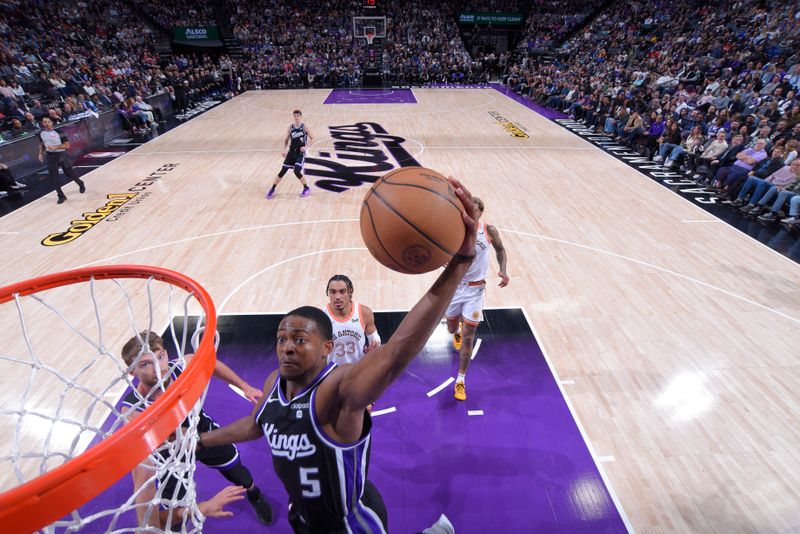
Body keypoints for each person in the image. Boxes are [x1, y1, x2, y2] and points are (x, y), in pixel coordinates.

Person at [198, 177, 479, 533]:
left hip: (351, 525)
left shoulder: (339, 391)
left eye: (300, 339)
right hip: (302, 517)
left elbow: (396, 353)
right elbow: (257, 424)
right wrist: (201, 442)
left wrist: (460, 263)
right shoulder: (274, 383)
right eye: (282, 338)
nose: (286, 345)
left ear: (326, 348)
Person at [119, 331, 274, 528]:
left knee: (238, 473)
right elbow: (154, 445)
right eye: (145, 364)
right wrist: (177, 438)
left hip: (201, 432)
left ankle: (254, 494)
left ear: (166, 353)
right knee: (173, 510)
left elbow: (212, 364)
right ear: (132, 372)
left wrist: (245, 386)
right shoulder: (132, 410)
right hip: (169, 456)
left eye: (160, 357)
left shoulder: (181, 367)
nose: (158, 368)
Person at [446, 197, 509, 401]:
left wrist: (503, 271)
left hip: (475, 291)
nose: (472, 212)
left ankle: (461, 381)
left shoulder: (488, 231)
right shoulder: (454, 229)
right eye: (469, 209)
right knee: (451, 327)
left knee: (469, 336)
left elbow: (500, 249)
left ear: (481, 213)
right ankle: (455, 332)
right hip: (455, 288)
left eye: (476, 210)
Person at [324, 274, 380, 365]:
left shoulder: (364, 312)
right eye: (333, 292)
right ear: (328, 293)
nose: (337, 296)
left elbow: (375, 340)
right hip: (332, 372)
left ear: (350, 292)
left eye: (342, 292)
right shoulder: (322, 316)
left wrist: (373, 349)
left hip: (357, 369)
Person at [266, 109, 314, 199]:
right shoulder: (290, 127)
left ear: (301, 116)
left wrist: (306, 147)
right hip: (291, 152)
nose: (296, 117)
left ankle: (306, 187)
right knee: (283, 171)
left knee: (296, 171)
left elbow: (313, 138)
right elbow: (286, 140)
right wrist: (284, 149)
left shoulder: (304, 127)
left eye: (298, 115)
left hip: (300, 153)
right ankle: (272, 189)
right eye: (295, 115)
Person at [38, 116, 85, 204]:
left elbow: (67, 146)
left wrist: (56, 147)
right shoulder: (41, 133)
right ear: (42, 123)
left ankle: (80, 183)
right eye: (44, 122)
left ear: (51, 123)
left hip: (62, 155)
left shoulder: (59, 133)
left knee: (69, 174)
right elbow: (42, 144)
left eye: (48, 121)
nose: (47, 123)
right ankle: (61, 195)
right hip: (50, 156)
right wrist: (40, 153)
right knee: (53, 177)